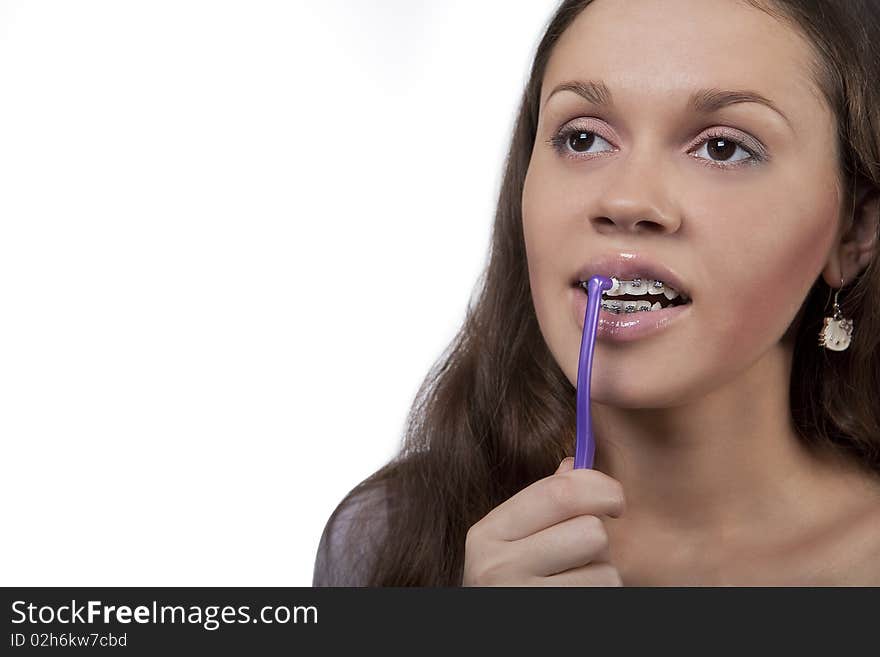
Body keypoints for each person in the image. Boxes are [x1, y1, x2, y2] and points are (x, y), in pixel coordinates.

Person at [312, 0, 880, 587]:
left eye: (722, 148)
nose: (626, 201)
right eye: (583, 138)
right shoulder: (388, 537)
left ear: (855, 230)